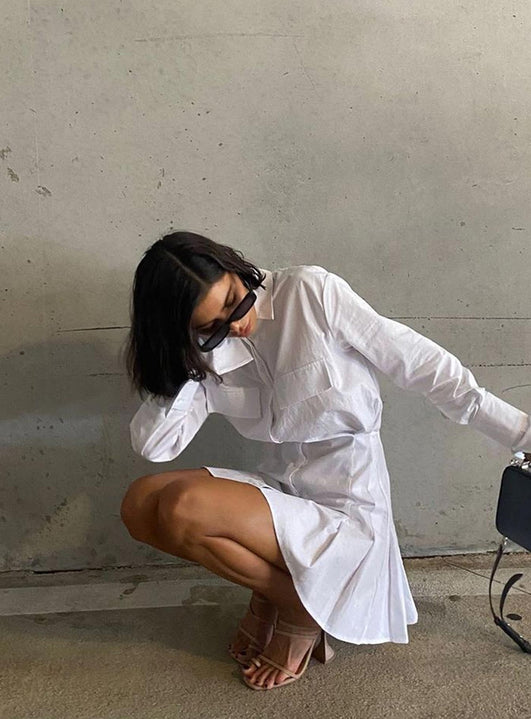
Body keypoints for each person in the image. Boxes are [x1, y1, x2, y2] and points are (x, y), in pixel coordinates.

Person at [121, 230, 531, 691]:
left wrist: (523, 434)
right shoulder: (207, 352)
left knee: (184, 506)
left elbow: (427, 369)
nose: (234, 326)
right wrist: (184, 359)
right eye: (212, 325)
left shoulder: (309, 293)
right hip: (281, 489)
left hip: (347, 505)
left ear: (232, 267)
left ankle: (296, 608)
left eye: (234, 302)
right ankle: (287, 595)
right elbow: (157, 445)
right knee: (140, 504)